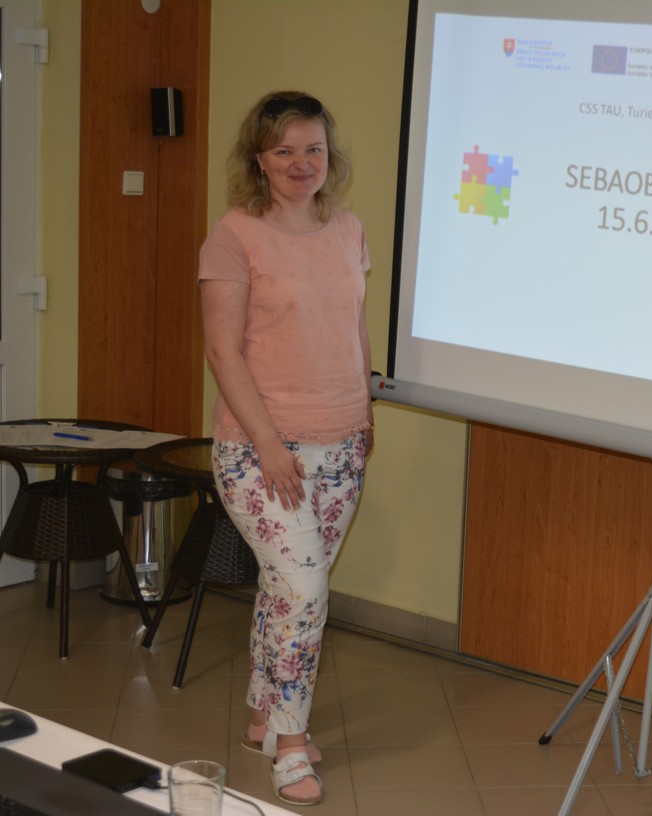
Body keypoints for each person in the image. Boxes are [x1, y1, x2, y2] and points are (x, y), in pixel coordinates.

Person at [199, 90, 373, 806]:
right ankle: (291, 746)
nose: (303, 163)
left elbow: (353, 326)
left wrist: (365, 413)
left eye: (314, 149)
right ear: (259, 159)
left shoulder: (348, 228)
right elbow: (222, 351)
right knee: (304, 593)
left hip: (343, 442)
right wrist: (270, 445)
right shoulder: (234, 235)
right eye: (285, 151)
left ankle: (262, 717)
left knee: (287, 587)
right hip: (260, 449)